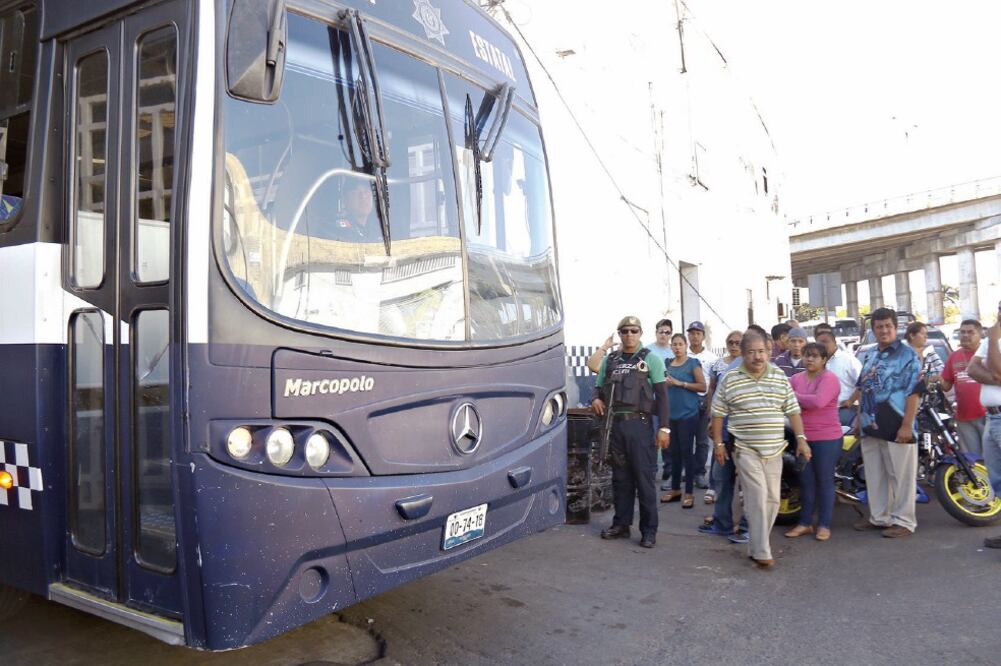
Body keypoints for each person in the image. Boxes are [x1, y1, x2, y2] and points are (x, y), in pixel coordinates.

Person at [711, 329, 809, 568]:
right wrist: (719, 444)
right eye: (752, 352)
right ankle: (762, 550)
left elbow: (793, 410)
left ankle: (756, 545)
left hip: (774, 449)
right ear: (743, 354)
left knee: (773, 500)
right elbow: (718, 414)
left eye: (762, 352)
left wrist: (801, 439)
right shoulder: (731, 378)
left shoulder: (778, 376)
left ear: (769, 352)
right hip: (745, 448)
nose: (758, 357)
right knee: (756, 497)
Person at [591, 316, 671, 548]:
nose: (629, 335)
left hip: (640, 425)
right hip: (615, 425)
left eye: (633, 331)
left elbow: (662, 396)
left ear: (640, 333)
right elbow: (597, 386)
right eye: (624, 331)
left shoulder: (651, 359)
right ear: (619, 334)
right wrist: (596, 399)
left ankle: (649, 531)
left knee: (644, 480)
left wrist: (664, 428)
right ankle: (621, 524)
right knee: (620, 479)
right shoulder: (611, 360)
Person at [853, 308, 922, 538]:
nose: (883, 330)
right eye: (879, 326)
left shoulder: (908, 355)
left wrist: (906, 425)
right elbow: (863, 388)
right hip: (870, 425)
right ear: (873, 330)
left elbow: (914, 392)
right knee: (875, 475)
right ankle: (880, 518)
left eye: (887, 326)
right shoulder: (870, 354)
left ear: (895, 328)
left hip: (897, 423)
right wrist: (858, 419)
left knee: (901, 477)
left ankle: (904, 521)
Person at [786, 342, 842, 541]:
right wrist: (801, 398)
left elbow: (818, 402)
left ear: (824, 360)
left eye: (815, 356)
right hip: (802, 437)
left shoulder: (830, 379)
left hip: (827, 438)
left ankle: (824, 525)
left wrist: (795, 397)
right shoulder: (795, 378)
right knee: (806, 481)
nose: (809, 359)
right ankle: (805, 523)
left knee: (825, 480)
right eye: (807, 355)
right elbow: (787, 401)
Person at [659, 334, 706, 508]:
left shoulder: (693, 364)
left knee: (687, 452)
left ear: (686, 346)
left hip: (688, 414)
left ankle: (689, 492)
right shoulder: (667, 364)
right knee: (673, 452)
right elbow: (660, 383)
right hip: (671, 414)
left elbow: (703, 386)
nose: (677, 347)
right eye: (674, 344)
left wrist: (681, 384)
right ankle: (675, 489)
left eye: (680, 344)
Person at [968, 319, 1001, 549]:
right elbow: (972, 368)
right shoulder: (994, 337)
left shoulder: (992, 338)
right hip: (991, 416)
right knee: (997, 479)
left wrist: (991, 340)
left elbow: (998, 369)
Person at [703, 331, 744, 503]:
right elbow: (713, 388)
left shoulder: (747, 363)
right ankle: (713, 487)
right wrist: (710, 410)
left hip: (740, 419)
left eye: (737, 342)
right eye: (731, 342)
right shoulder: (718, 364)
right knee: (719, 452)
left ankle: (742, 490)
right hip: (721, 415)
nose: (734, 345)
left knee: (742, 455)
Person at [940, 320, 987, 456]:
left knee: (992, 459)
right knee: (972, 460)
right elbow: (947, 385)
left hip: (988, 415)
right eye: (963, 332)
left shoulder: (988, 354)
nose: (965, 335)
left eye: (970, 332)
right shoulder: (954, 356)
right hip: (963, 417)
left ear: (980, 334)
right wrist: (936, 379)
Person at [686, 321, 717, 490]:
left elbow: (713, 383)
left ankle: (699, 473)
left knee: (702, 440)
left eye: (698, 333)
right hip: (686, 401)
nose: (694, 336)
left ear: (703, 336)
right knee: (685, 439)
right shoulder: (682, 355)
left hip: (704, 401)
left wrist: (709, 401)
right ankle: (687, 471)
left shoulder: (712, 358)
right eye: (691, 333)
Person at [646, 319, 676, 489]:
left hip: (668, 400)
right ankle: (651, 471)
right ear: (656, 332)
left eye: (667, 332)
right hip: (650, 401)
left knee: (666, 436)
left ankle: (668, 470)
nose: (664, 335)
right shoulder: (648, 351)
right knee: (652, 437)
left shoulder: (674, 351)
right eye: (661, 331)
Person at [816, 329, 862, 427]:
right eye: (819, 343)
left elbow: (863, 384)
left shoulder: (848, 360)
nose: (823, 345)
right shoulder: (816, 362)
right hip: (821, 412)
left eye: (825, 342)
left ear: (834, 342)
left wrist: (850, 401)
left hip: (844, 411)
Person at [331, 177, 383, 243]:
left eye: (366, 191)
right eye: (355, 192)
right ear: (345, 200)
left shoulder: (381, 230)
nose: (363, 197)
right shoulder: (337, 231)